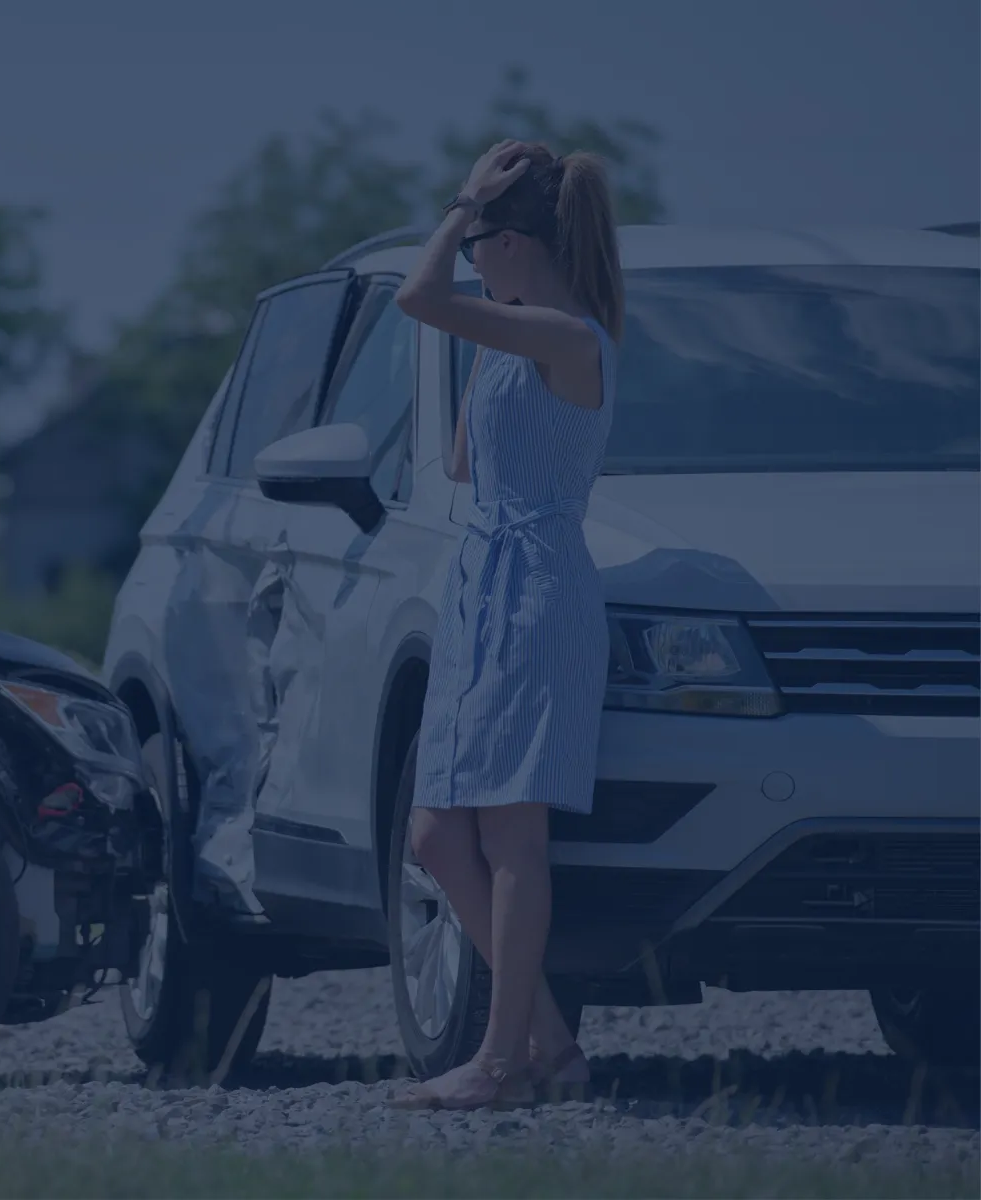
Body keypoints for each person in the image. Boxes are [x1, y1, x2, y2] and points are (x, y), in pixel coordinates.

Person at [388, 139, 624, 1111]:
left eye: (480, 241)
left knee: (511, 838)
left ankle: (500, 1061)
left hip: (535, 593)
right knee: (437, 837)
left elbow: (416, 297)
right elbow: (459, 464)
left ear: (511, 240)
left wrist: (456, 204)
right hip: (481, 588)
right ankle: (550, 1044)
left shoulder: (573, 337)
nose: (468, 254)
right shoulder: (518, 338)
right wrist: (487, 326)